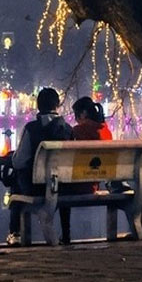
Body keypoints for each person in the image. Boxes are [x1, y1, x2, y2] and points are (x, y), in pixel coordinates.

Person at [7, 87, 73, 246]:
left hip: (36, 187)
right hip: (63, 187)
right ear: (57, 105)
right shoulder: (69, 130)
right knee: (59, 178)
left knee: (16, 180)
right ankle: (66, 233)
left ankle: (15, 233)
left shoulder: (32, 129)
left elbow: (19, 161)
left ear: (38, 106)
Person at [59, 96, 113, 244]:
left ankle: (65, 235)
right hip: (95, 183)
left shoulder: (78, 131)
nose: (76, 120)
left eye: (76, 116)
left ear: (82, 114)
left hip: (79, 184)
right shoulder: (106, 132)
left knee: (61, 186)